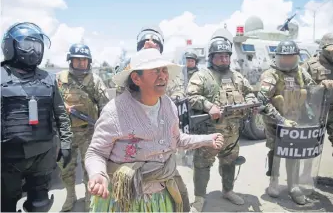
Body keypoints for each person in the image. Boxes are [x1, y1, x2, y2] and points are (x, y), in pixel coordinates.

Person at [84, 48, 224, 212]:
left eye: (164, 70)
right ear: (136, 78)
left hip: (160, 195)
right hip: (125, 199)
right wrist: (98, 174)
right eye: (155, 71)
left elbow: (176, 140)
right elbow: (96, 152)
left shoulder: (168, 105)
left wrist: (208, 139)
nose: (163, 75)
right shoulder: (115, 111)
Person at [1, 22, 73, 212]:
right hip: (8, 156)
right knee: (6, 204)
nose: (33, 51)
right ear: (11, 46)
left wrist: (66, 143)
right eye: (27, 45)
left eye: (37, 46)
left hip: (43, 154)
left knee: (40, 204)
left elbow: (60, 114)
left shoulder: (47, 79)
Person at [187, 35, 258, 211]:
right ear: (211, 58)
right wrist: (208, 105)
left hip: (233, 133)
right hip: (210, 133)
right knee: (202, 165)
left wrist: (251, 102)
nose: (224, 59)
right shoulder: (202, 76)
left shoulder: (237, 76)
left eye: (226, 56)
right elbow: (191, 96)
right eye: (219, 56)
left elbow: (249, 92)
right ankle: (199, 197)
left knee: (229, 162)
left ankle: (228, 190)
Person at [257, 40, 316, 205]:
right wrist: (282, 120)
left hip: (296, 121)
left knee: (294, 153)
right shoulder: (271, 75)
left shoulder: (301, 73)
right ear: (278, 58)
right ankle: (274, 181)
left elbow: (313, 91)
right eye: (284, 58)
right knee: (277, 151)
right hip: (276, 123)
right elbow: (262, 101)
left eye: (291, 58)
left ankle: (293, 186)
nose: (287, 61)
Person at [56, 43, 110, 211]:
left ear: (89, 62)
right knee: (66, 167)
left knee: (91, 168)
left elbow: (105, 107)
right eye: (77, 60)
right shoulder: (60, 79)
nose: (81, 63)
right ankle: (70, 196)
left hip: (90, 132)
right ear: (70, 61)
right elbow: (53, 103)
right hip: (66, 133)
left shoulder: (95, 80)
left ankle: (90, 198)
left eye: (84, 60)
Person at [116, 26, 186, 100]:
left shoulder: (169, 71)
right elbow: (119, 79)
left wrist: (173, 100)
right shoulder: (131, 67)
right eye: (145, 46)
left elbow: (179, 91)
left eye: (156, 46)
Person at [302, 33, 333, 147]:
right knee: (310, 146)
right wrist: (320, 86)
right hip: (315, 111)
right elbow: (299, 88)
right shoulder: (310, 65)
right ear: (323, 49)